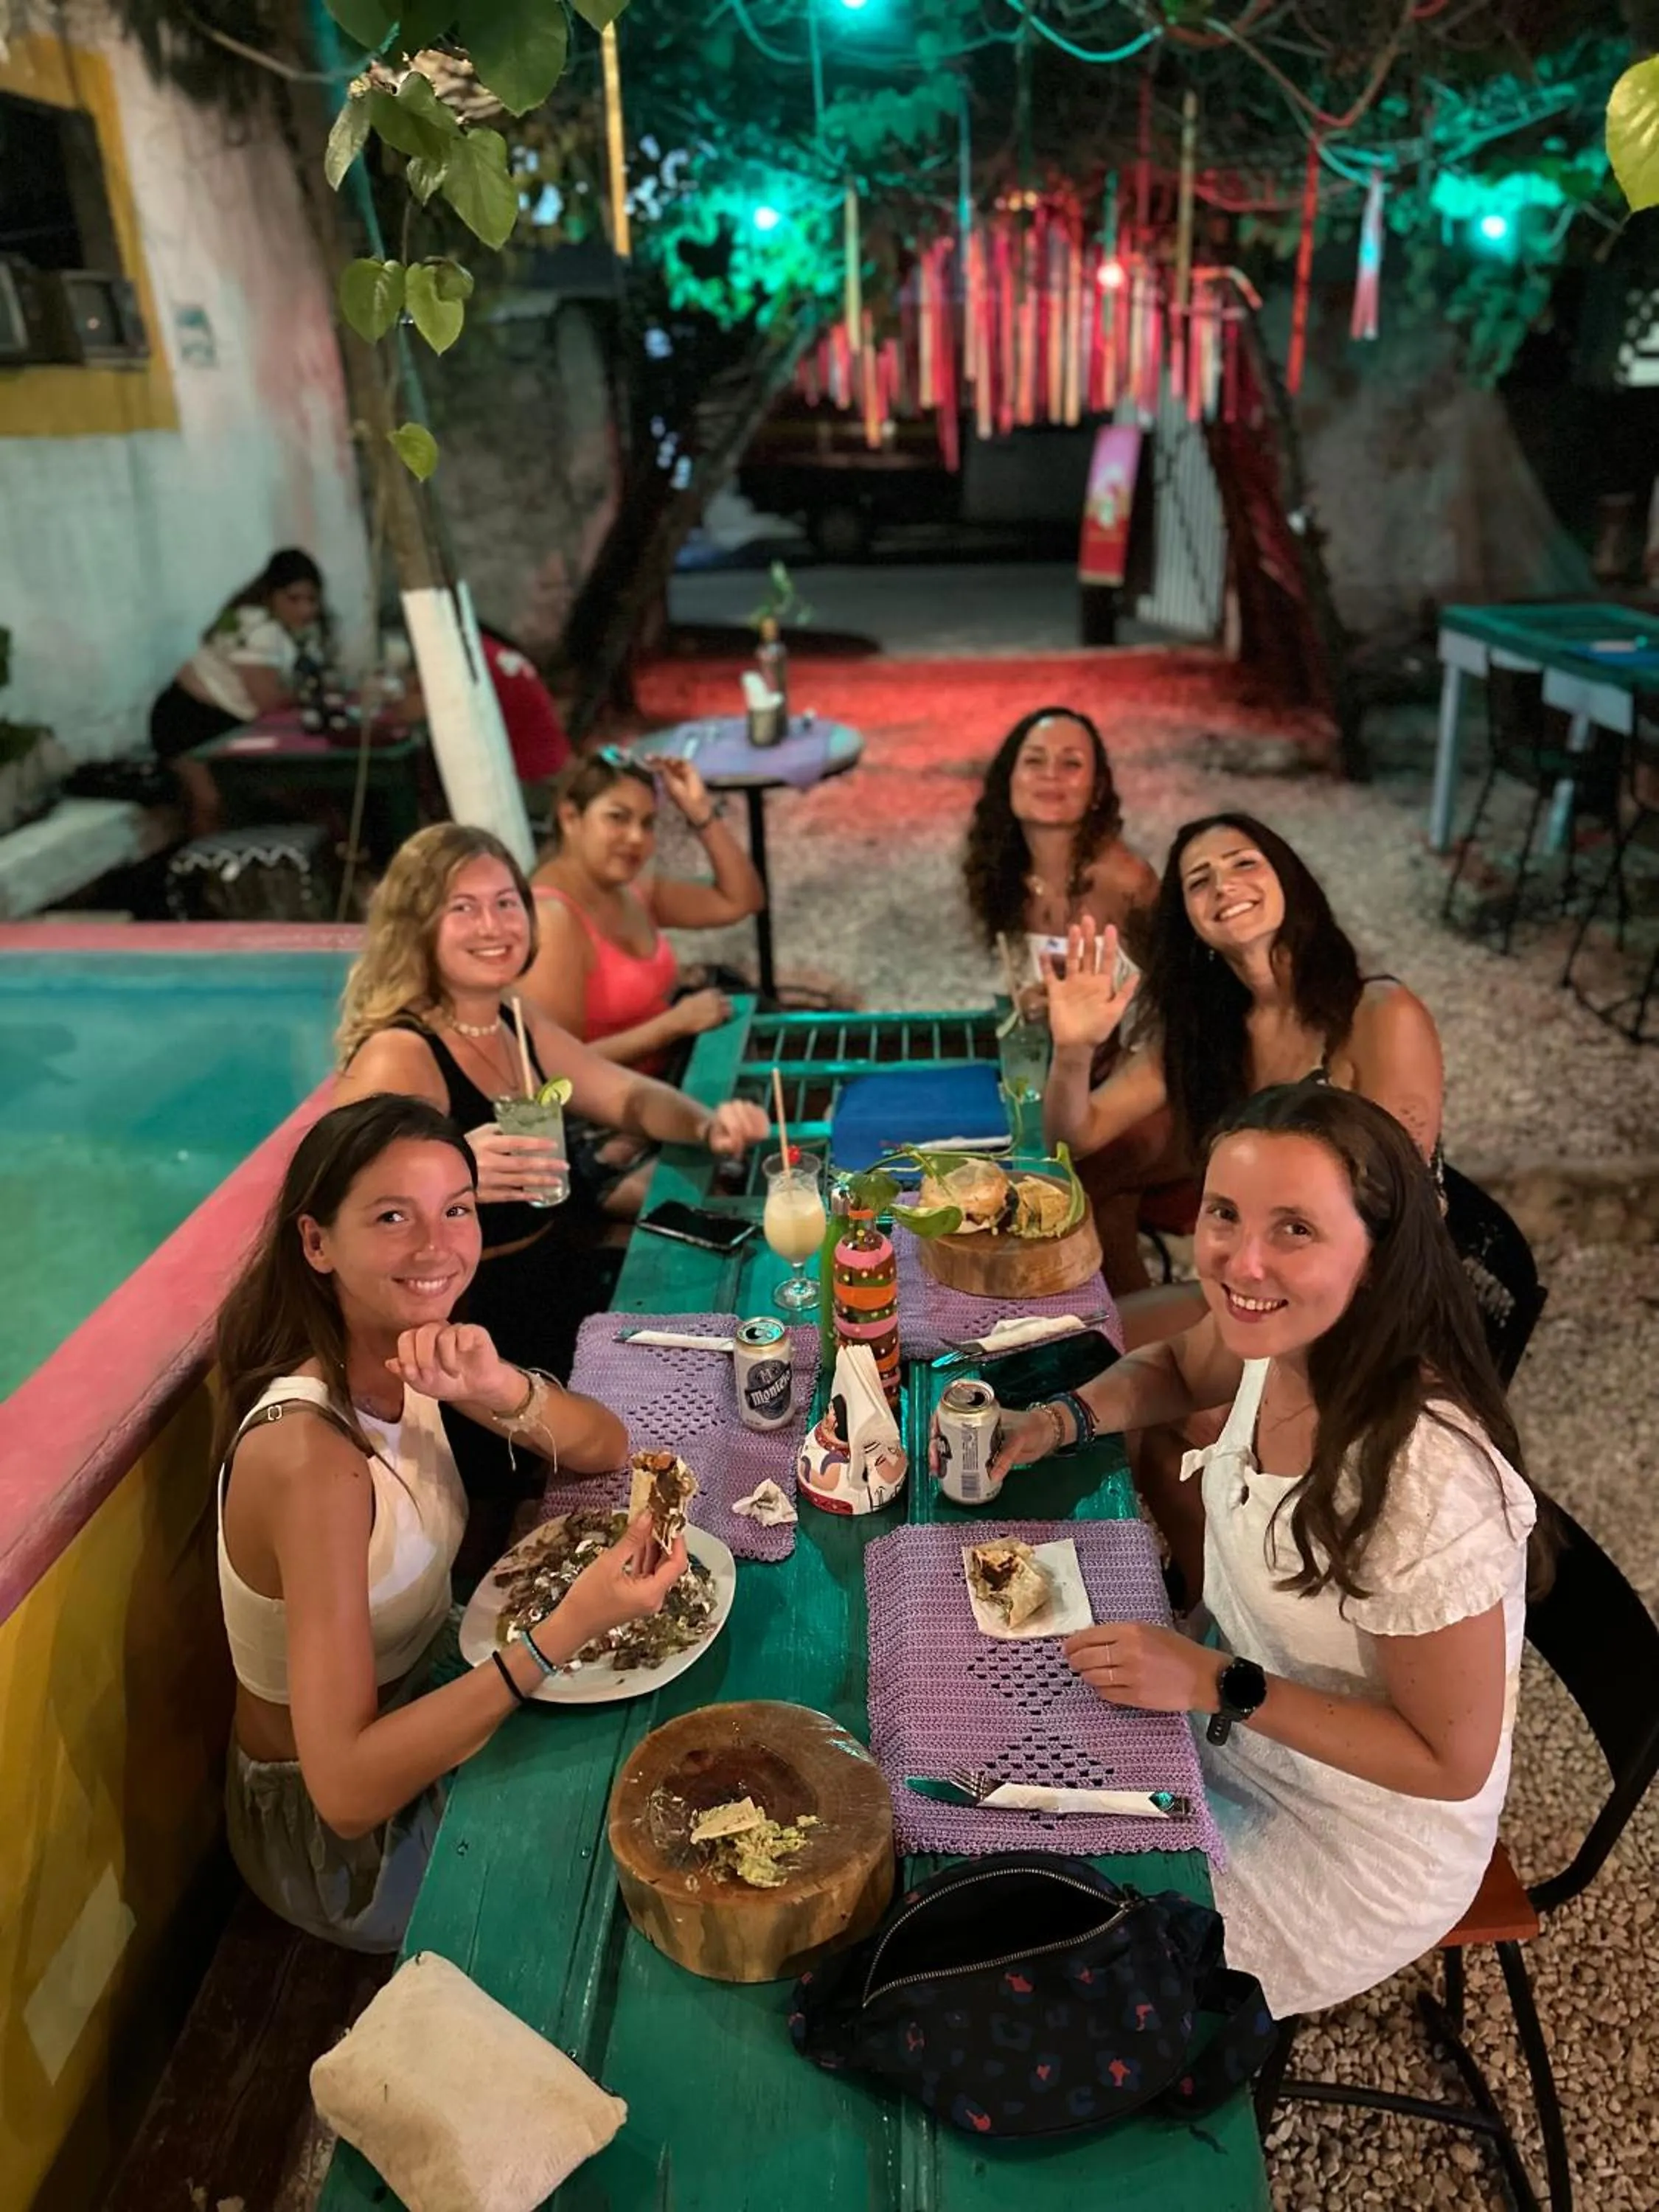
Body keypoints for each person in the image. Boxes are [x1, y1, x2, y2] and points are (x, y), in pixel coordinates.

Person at [987, 1083, 1546, 2022]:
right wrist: (1056, 1419)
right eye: (1225, 1214)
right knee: (982, 1830)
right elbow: (1172, 1367)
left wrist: (1217, 1681)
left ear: (1376, 1256)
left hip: (1351, 1836)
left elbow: (1449, 1761)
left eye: (1295, 1229)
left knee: (1049, 1980)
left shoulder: (1421, 1485)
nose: (1242, 1261)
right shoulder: (1281, 1342)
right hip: (1222, 1720)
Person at [213, 1093, 686, 1952]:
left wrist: (497, 1390)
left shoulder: (406, 1346)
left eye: (457, 1210)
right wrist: (566, 1629)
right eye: (393, 1216)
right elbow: (347, 1791)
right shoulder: (310, 1459)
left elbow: (605, 1448)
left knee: (668, 1735)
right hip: (345, 1846)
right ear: (316, 1242)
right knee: (639, 1872)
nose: (437, 1246)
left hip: (441, 1683)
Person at [333, 822, 770, 1531]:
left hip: (548, 1282)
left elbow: (621, 1093)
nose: (493, 925)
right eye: (463, 908)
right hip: (462, 1334)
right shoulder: (400, 1053)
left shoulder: (509, 1018)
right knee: (561, 1502)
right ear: (418, 926)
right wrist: (456, 1169)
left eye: (507, 903)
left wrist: (704, 1123)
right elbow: (341, 1206)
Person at [961, 706, 1172, 1291]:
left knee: (1078, 1189)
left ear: (1097, 786)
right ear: (1009, 778)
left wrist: (1123, 1065)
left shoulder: (1126, 882)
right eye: (1035, 760)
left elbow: (1181, 1006)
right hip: (1069, 1063)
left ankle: (1125, 1333)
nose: (1051, 774)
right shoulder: (1002, 870)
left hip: (1146, 1074)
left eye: (1071, 763)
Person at [525, 749, 765, 1075]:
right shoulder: (550, 919)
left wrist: (700, 813)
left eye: (647, 823)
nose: (636, 838)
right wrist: (673, 1025)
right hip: (609, 1116)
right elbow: (553, 1069)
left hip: (667, 1082)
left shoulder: (633, 889)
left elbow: (741, 900)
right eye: (618, 818)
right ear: (570, 818)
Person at [149, 549, 331, 836]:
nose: (305, 610)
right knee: (211, 802)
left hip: (228, 720)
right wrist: (306, 694)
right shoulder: (256, 626)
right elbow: (268, 701)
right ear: (272, 596)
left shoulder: (289, 630)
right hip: (187, 718)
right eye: (294, 599)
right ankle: (208, 875)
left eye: (311, 600)